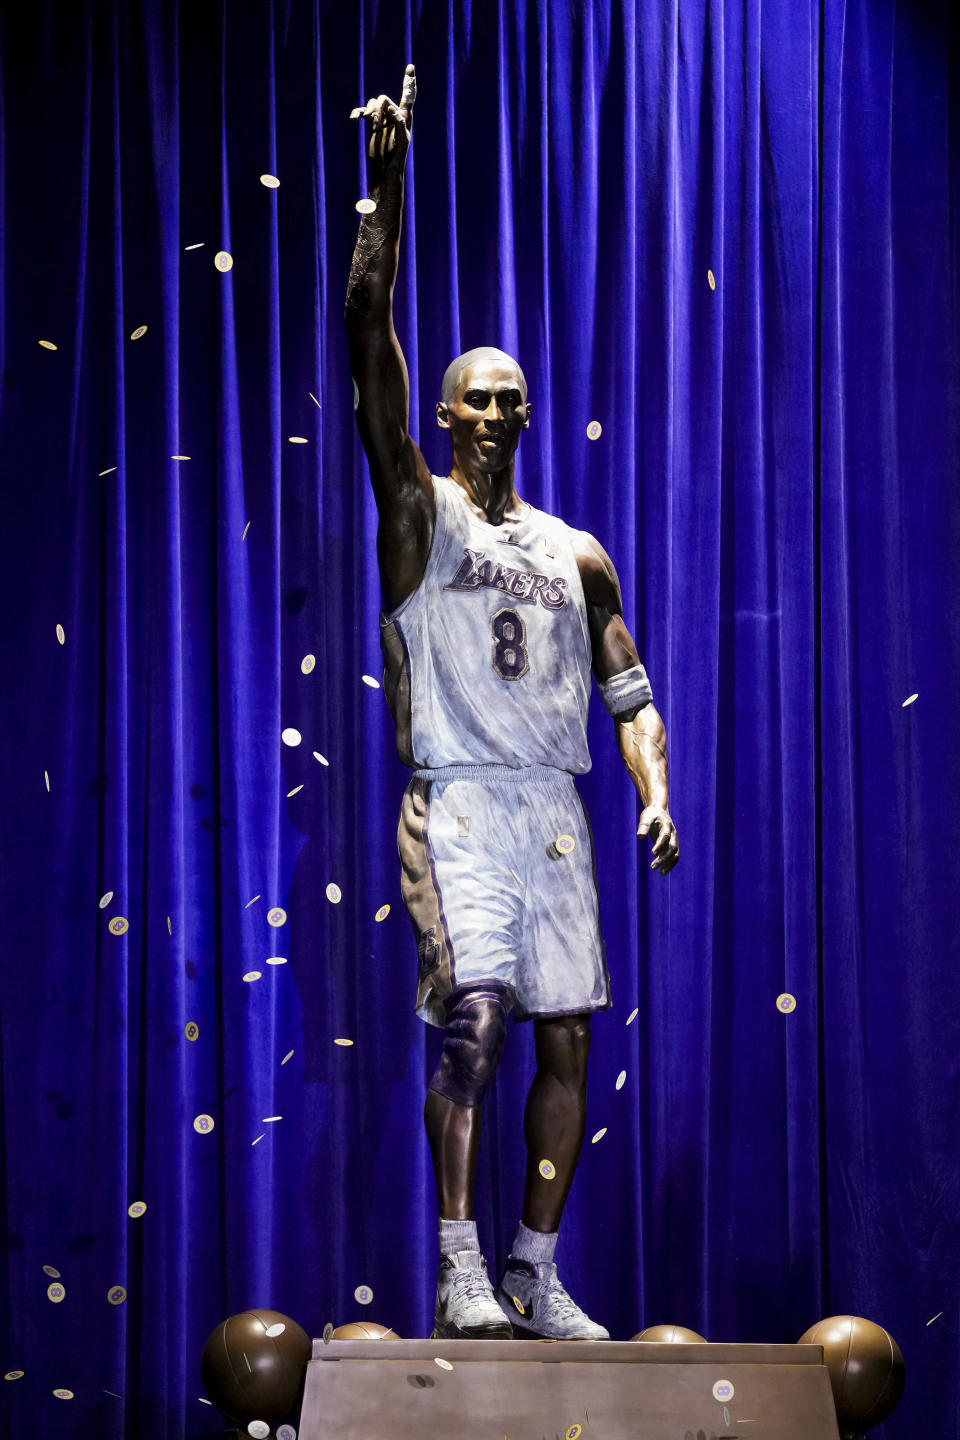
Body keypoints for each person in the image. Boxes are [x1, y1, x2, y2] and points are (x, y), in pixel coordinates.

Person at [344, 65, 678, 1342]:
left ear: (529, 417)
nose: (491, 412)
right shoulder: (415, 513)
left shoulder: (576, 549)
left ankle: (535, 1265)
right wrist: (385, 196)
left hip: (553, 813)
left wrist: (656, 790)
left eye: (509, 400)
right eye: (471, 398)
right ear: (438, 416)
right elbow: (365, 326)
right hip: (462, 806)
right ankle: (460, 1262)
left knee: (569, 1043)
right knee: (474, 1022)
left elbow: (628, 686)